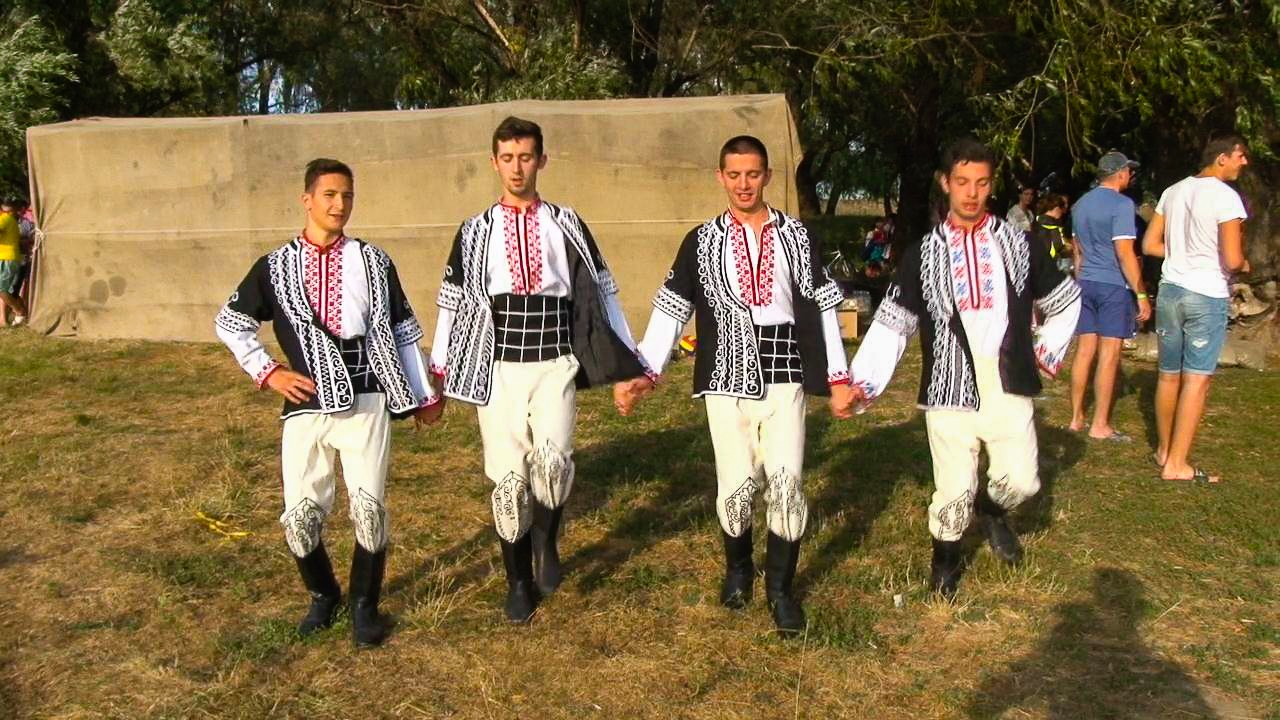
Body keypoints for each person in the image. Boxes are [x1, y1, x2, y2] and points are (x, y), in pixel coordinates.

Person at [615, 135, 855, 635]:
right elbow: (672, 308)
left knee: (786, 483)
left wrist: (837, 378)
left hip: (785, 372)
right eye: (734, 174)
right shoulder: (700, 241)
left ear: (767, 176)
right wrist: (646, 370)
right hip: (723, 378)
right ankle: (739, 568)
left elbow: (823, 307)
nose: (744, 184)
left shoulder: (797, 236)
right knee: (737, 485)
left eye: (753, 174)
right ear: (721, 177)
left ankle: (781, 591)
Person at [215, 158, 442, 647]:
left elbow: (403, 330)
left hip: (368, 397)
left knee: (369, 507)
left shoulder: (374, 261)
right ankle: (323, 595)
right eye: (330, 195)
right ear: (307, 200)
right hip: (306, 402)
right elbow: (231, 322)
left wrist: (424, 394)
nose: (340, 205)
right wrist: (269, 372)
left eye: (348, 196)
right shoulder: (274, 266)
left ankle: (364, 605)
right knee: (300, 515)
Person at [428, 116, 646, 623]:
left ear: (541, 160)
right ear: (494, 162)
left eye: (526, 157)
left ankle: (546, 542)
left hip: (555, 361)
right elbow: (451, 301)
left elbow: (604, 292)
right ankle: (518, 582)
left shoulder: (566, 222)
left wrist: (628, 362)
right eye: (507, 158)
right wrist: (438, 370)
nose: (517, 168)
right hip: (498, 366)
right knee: (509, 481)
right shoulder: (475, 230)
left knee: (553, 463)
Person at [847, 139, 1081, 599]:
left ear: (992, 185)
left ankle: (991, 511)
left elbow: (1067, 300)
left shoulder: (1020, 244)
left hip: (1007, 377)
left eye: (981, 183)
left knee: (1022, 479)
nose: (972, 193)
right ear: (945, 183)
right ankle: (945, 564)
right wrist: (862, 383)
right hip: (947, 380)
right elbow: (893, 323)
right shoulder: (922, 254)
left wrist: (1046, 350)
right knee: (953, 487)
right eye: (962, 182)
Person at [1141, 136, 1250, 483]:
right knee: (1197, 380)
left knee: (1168, 374)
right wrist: (1245, 265)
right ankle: (1177, 464)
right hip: (1205, 293)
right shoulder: (1226, 197)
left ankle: (1164, 450)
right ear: (1221, 158)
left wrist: (1181, 253)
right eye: (1240, 156)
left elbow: (1150, 244)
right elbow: (1232, 259)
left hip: (1171, 290)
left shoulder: (1173, 192)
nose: (1244, 162)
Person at [1067, 152, 1150, 440]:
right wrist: (1141, 293)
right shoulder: (1122, 205)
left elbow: (1077, 251)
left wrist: (1080, 280)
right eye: (1129, 171)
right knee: (1109, 354)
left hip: (1085, 281)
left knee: (1084, 351)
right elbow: (1125, 253)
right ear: (1120, 173)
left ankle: (1076, 418)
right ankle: (1100, 424)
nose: (1131, 176)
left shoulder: (1080, 204)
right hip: (1112, 284)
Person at [0, 198, 28, 326]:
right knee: (7, 290)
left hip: (7, 258)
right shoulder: (10, 219)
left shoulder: (4, 219)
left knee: (2, 290)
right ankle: (21, 310)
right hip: (8, 257)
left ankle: (19, 311)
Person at [1029, 193, 1072, 275]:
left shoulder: (1037, 221)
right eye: (1061, 209)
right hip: (1051, 265)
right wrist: (1069, 248)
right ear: (1057, 208)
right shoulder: (1052, 226)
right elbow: (1058, 245)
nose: (1062, 213)